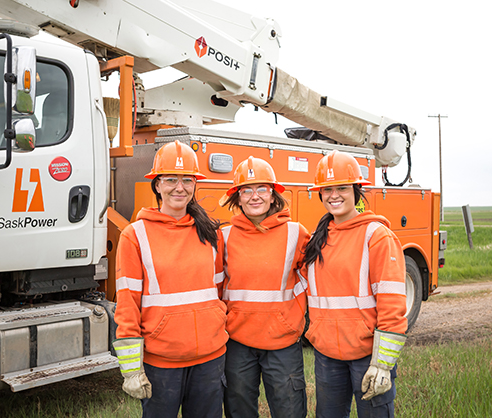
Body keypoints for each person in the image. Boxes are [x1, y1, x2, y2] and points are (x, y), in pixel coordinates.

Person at [112, 140, 227, 418]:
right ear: (157, 185)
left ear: (195, 185)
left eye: (187, 180)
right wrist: (131, 369)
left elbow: (220, 293)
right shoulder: (135, 235)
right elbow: (127, 305)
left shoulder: (211, 233)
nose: (180, 187)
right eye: (171, 180)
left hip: (210, 360)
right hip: (161, 363)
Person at [301, 150, 407, 418]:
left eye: (342, 188)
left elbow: (392, 304)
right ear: (320, 194)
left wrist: (382, 364)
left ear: (357, 191)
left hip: (367, 357)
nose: (334, 195)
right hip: (327, 355)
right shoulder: (318, 238)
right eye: (327, 189)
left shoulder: (377, 235)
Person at [219, 156, 310, 418]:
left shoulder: (296, 233)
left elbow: (312, 280)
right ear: (237, 197)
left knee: (289, 412)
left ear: (273, 196)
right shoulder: (225, 237)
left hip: (283, 343)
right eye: (246, 190)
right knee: (239, 411)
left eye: (262, 189)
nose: (254, 196)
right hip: (237, 343)